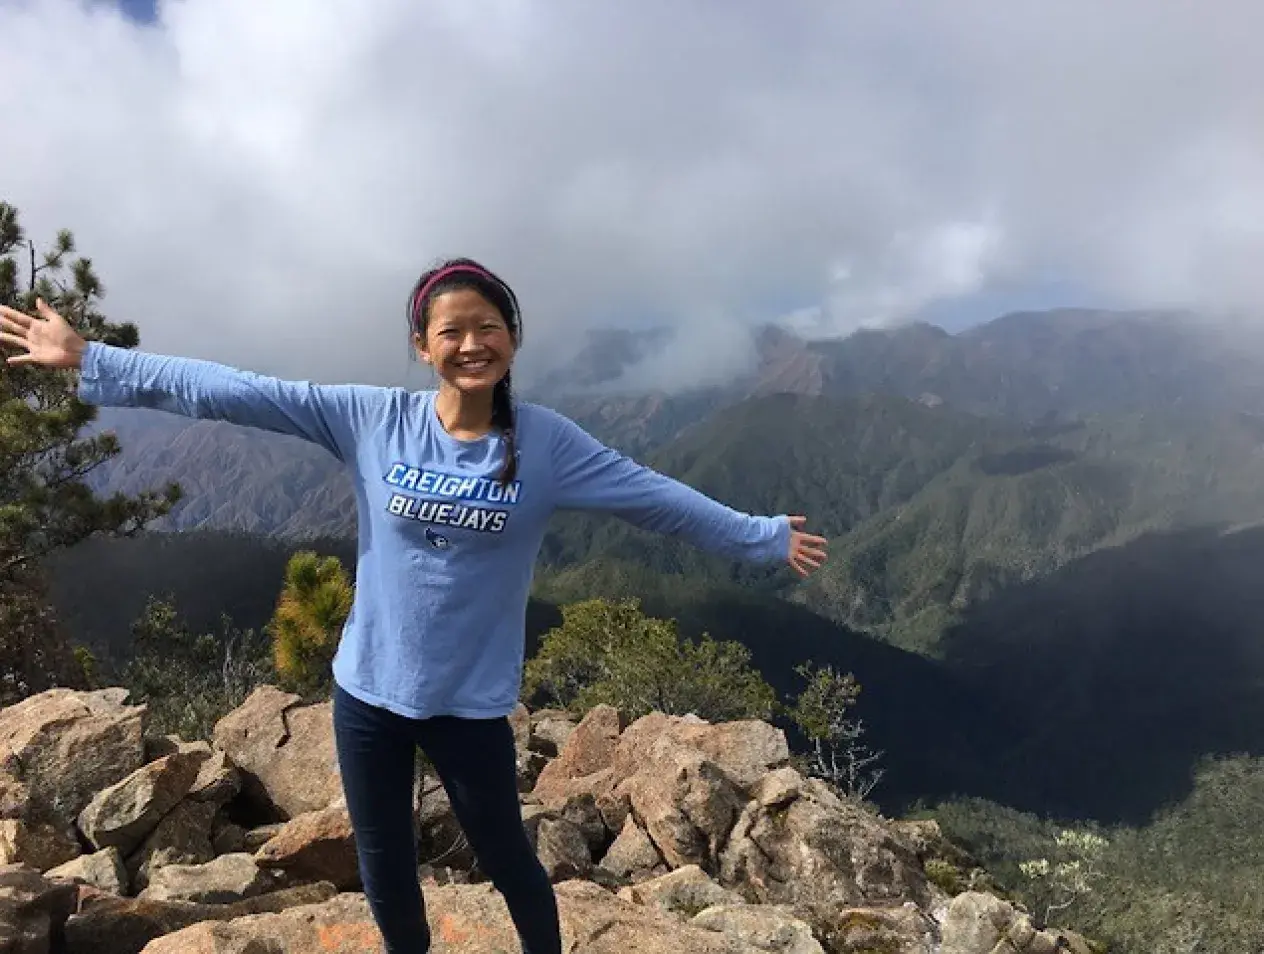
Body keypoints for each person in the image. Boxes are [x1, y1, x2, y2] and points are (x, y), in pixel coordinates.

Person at [0, 258, 828, 954]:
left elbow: (654, 498)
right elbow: (234, 391)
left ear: (512, 337)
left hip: (468, 704)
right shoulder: (372, 419)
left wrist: (759, 537)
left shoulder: (546, 443)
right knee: (383, 859)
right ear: (422, 345)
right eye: (451, 331)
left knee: (507, 856)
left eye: (487, 327)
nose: (472, 344)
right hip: (369, 693)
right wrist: (92, 358)